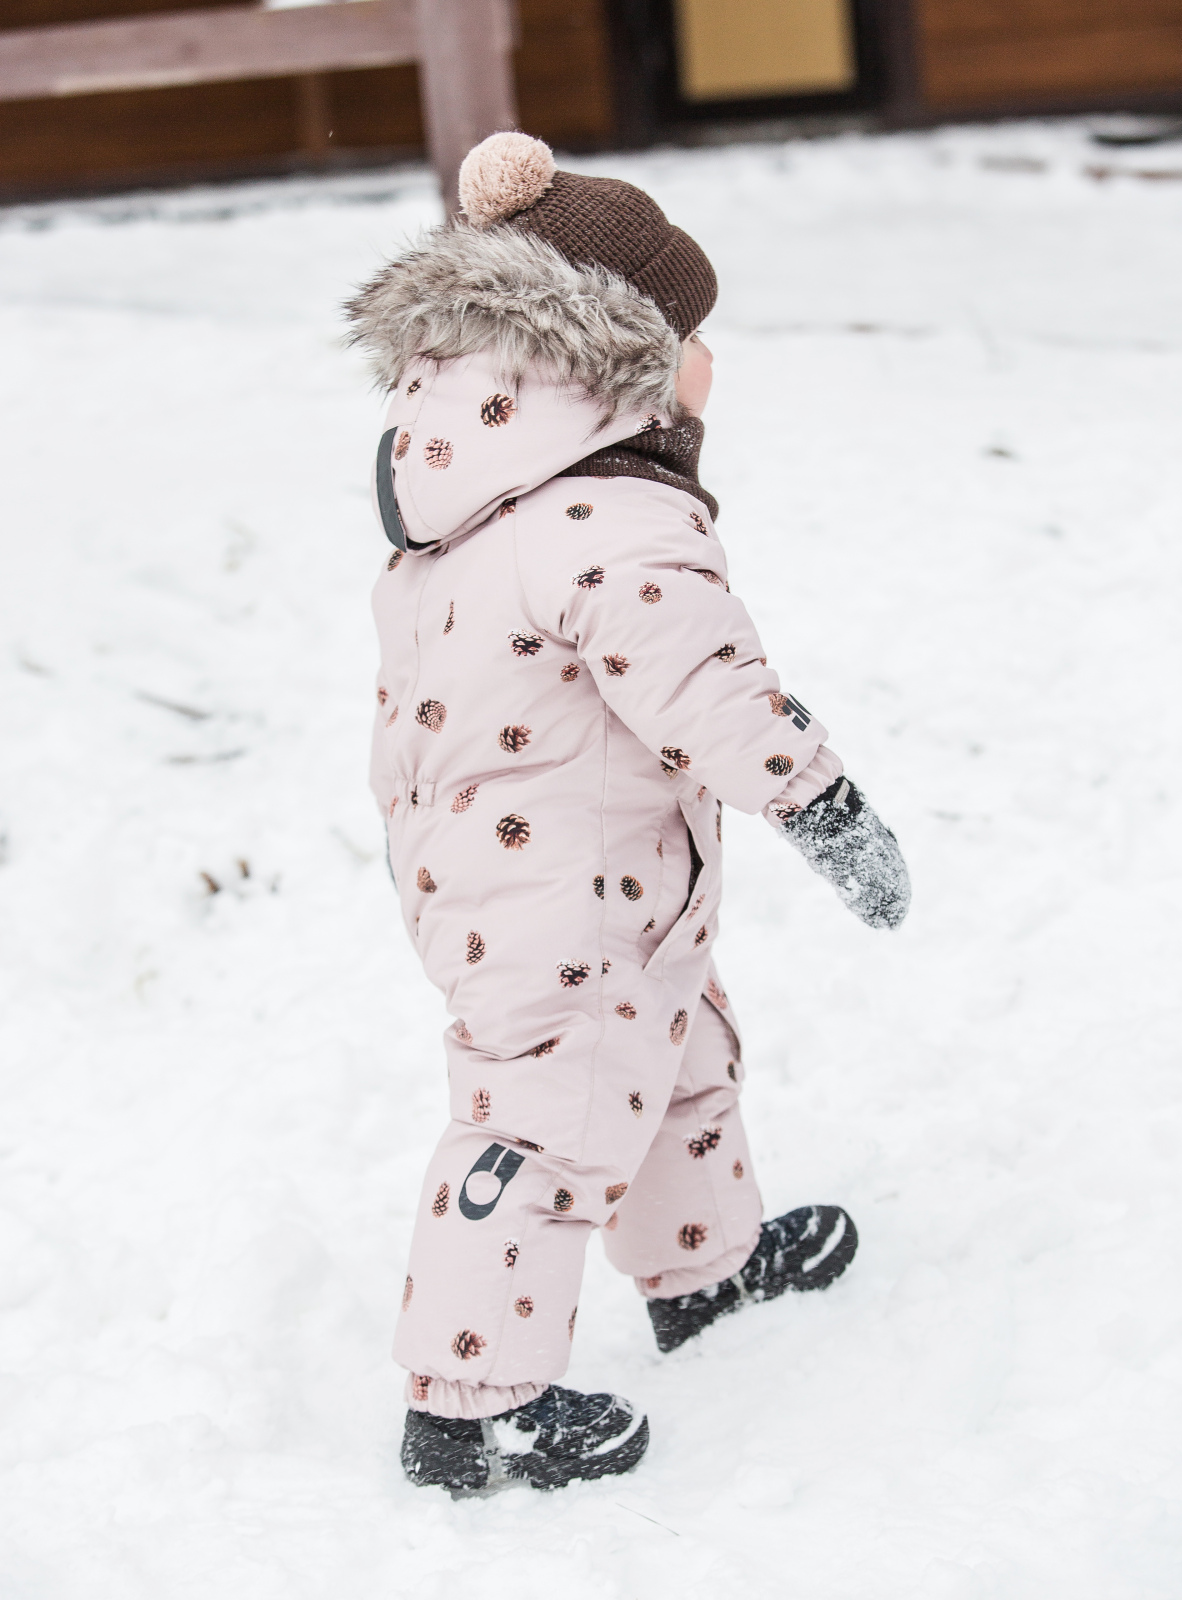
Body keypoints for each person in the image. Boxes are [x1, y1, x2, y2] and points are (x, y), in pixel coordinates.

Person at [345, 132, 910, 1498]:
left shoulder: (476, 497)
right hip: (558, 890)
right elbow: (708, 686)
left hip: (563, 876)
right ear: (618, 355)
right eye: (695, 336)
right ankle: (471, 1406)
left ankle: (702, 1268)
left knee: (673, 1055)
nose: (714, 361)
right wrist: (824, 805)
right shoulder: (605, 514)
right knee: (543, 1114)